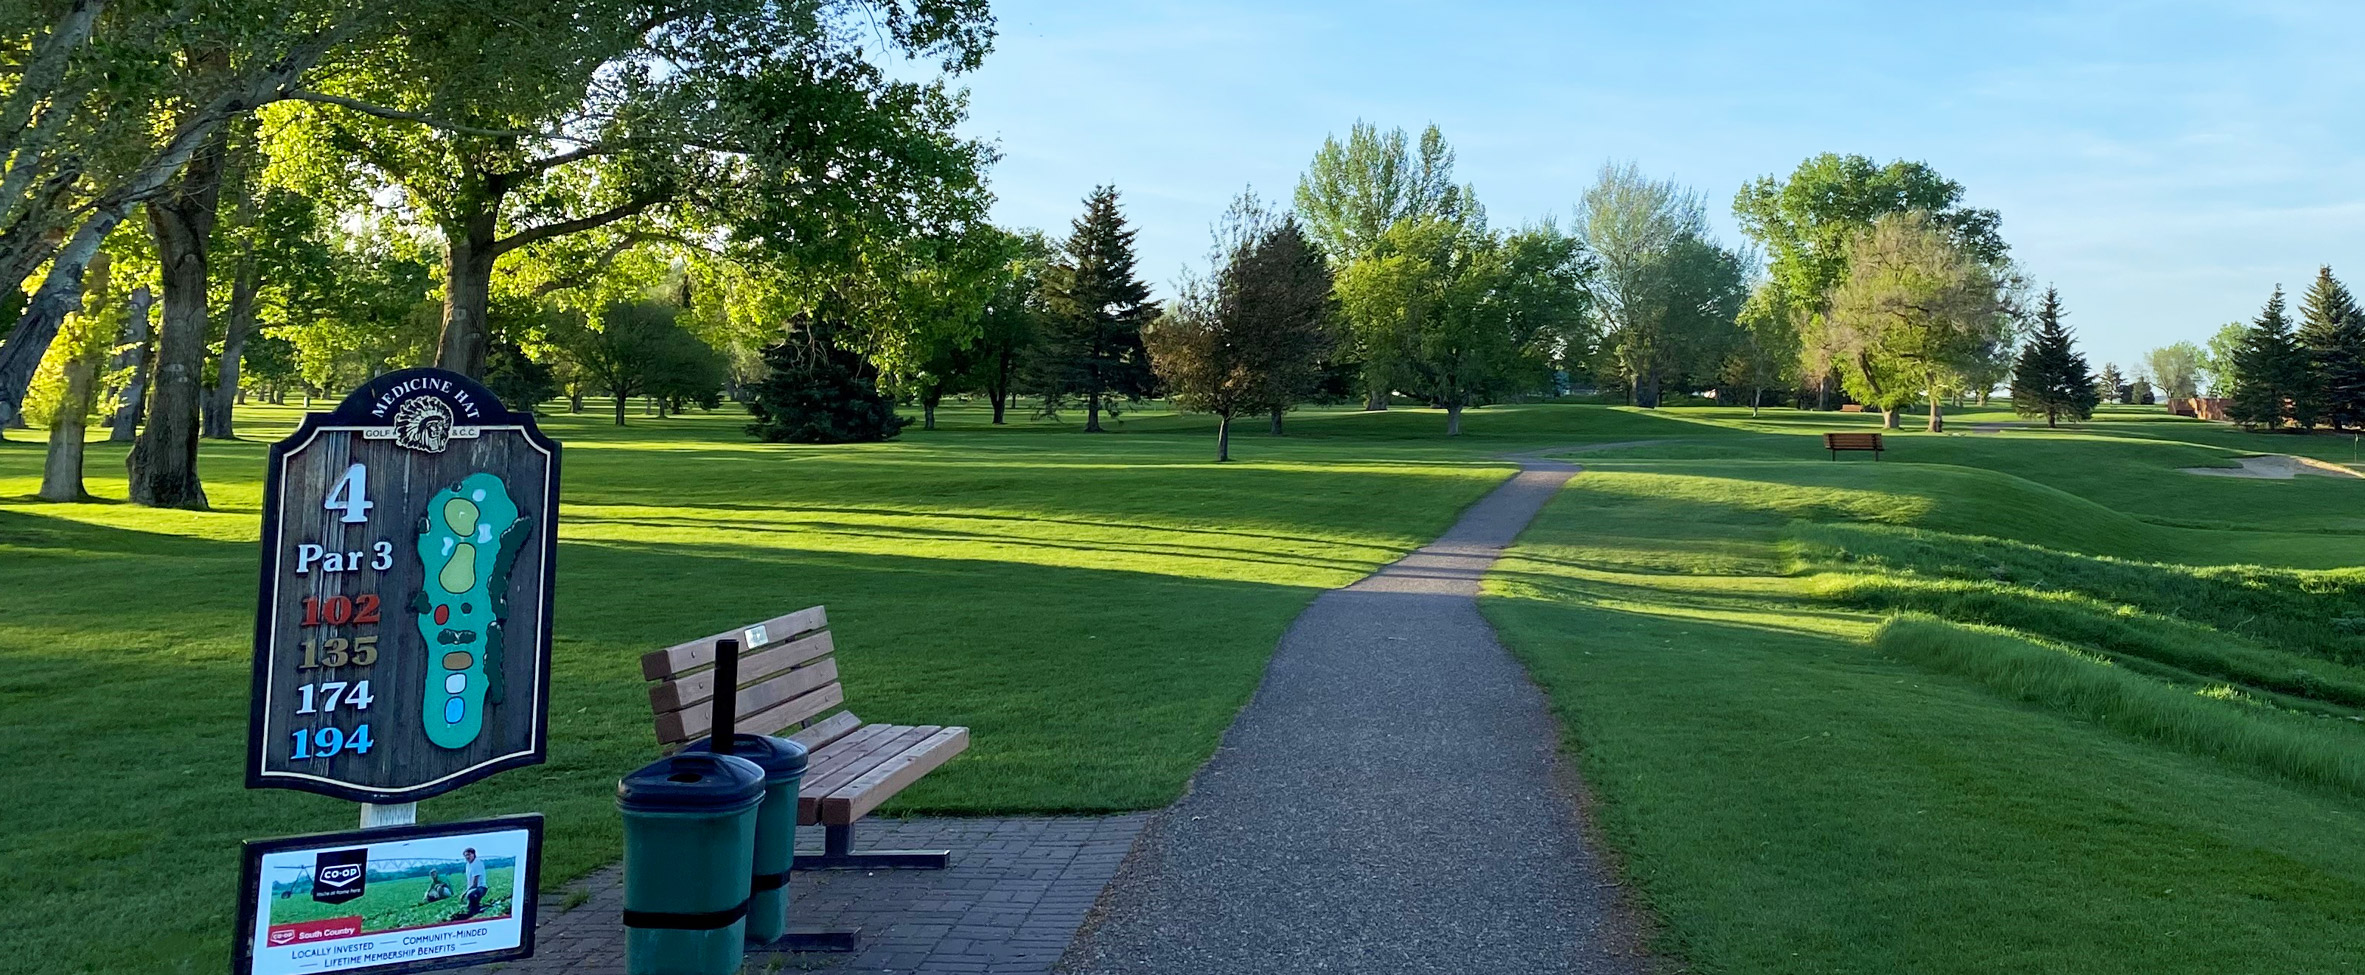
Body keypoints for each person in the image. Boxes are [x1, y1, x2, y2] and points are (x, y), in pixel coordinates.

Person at [458, 848, 487, 919]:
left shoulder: (476, 863)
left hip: (480, 888)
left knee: (471, 895)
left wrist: (464, 893)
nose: (467, 857)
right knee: (470, 903)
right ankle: (472, 909)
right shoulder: (468, 864)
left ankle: (477, 909)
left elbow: (475, 884)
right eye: (465, 855)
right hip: (474, 888)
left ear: (473, 854)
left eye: (469, 855)